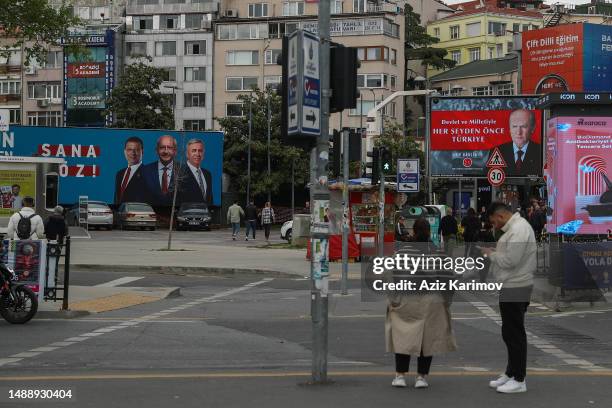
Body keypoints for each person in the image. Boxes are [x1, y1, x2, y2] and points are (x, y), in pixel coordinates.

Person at [386, 218, 457, 389]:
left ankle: (400, 375)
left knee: (403, 337)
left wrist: (393, 298)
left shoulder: (402, 251)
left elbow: (390, 276)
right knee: (427, 339)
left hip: (406, 298)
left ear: (413, 231)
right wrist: (446, 301)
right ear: (429, 232)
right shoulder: (438, 253)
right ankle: (421, 377)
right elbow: (448, 279)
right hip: (432, 300)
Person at [480, 202, 536, 394]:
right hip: (511, 285)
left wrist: (491, 254)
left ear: (500, 216)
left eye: (493, 221)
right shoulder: (515, 229)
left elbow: (511, 261)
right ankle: (511, 373)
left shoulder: (519, 230)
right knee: (509, 332)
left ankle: (519, 379)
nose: (494, 225)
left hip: (517, 285)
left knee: (515, 333)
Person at [490, 109, 542, 176]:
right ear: (510, 129)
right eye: (514, 126)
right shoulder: (498, 151)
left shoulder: (541, 151)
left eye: (523, 126)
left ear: (532, 128)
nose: (518, 132)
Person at [141, 135, 178, 206]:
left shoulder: (184, 171)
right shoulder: (145, 171)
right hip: (151, 214)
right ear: (156, 150)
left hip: (177, 215)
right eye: (162, 147)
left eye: (169, 148)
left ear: (175, 151)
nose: (166, 151)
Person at [178, 139, 213, 206]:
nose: (197, 154)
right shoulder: (180, 174)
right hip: (186, 214)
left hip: (205, 215)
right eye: (194, 151)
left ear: (203, 153)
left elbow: (209, 199)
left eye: (200, 151)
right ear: (187, 154)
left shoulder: (207, 174)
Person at [115, 137, 147, 204]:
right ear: (125, 152)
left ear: (142, 152)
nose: (133, 153)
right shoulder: (119, 174)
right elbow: (117, 199)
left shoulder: (148, 174)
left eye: (137, 150)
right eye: (129, 150)